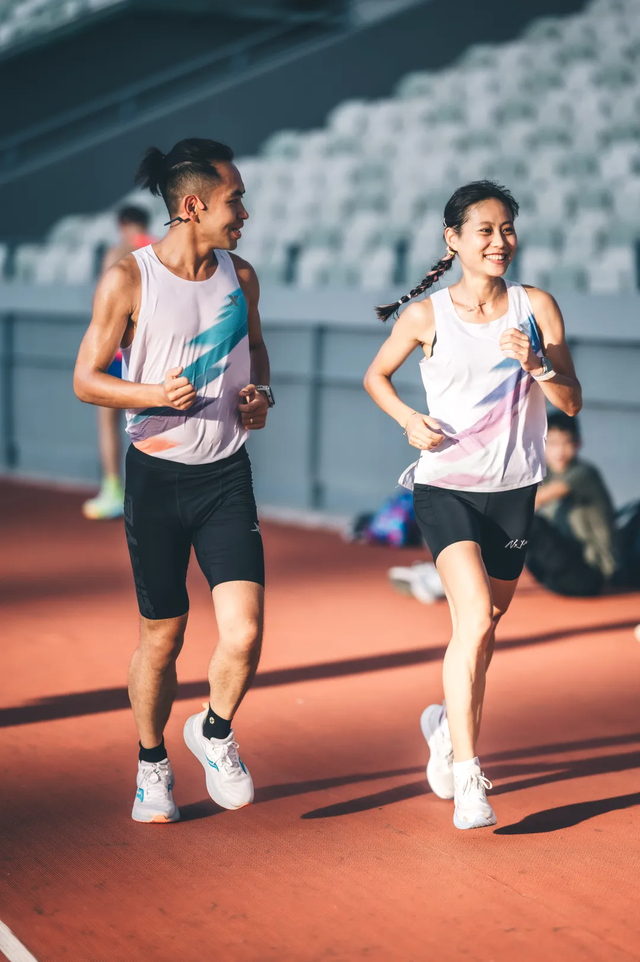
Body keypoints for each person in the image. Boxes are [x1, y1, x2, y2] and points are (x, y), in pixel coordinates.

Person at [364, 180, 582, 831]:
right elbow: (376, 376)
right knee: (477, 617)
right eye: (485, 229)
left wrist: (538, 363)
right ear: (453, 239)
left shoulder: (536, 306)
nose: (499, 240)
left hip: (514, 491)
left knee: (483, 628)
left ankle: (443, 725)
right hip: (446, 488)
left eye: (507, 228)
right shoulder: (426, 316)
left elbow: (571, 403)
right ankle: (467, 777)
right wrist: (408, 419)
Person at [74, 138, 274, 823]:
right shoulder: (128, 279)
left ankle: (213, 732)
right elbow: (86, 379)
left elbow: (257, 352)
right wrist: (153, 394)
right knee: (163, 638)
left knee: (244, 633)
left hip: (227, 477)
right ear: (192, 206)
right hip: (157, 481)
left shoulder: (241, 276)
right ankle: (151, 764)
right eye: (234, 199)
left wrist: (261, 395)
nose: (244, 212)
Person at [82, 206, 156, 521]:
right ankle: (154, 494)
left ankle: (113, 492)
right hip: (152, 352)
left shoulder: (118, 251)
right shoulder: (161, 248)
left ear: (122, 223)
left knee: (108, 421)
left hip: (118, 353)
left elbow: (102, 302)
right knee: (152, 424)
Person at [526, 412, 617, 596]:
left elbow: (537, 499)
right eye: (552, 443)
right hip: (563, 568)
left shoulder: (584, 473)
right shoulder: (546, 474)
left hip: (590, 573)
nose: (560, 451)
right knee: (523, 529)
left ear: (578, 444)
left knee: (531, 525)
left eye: (566, 443)